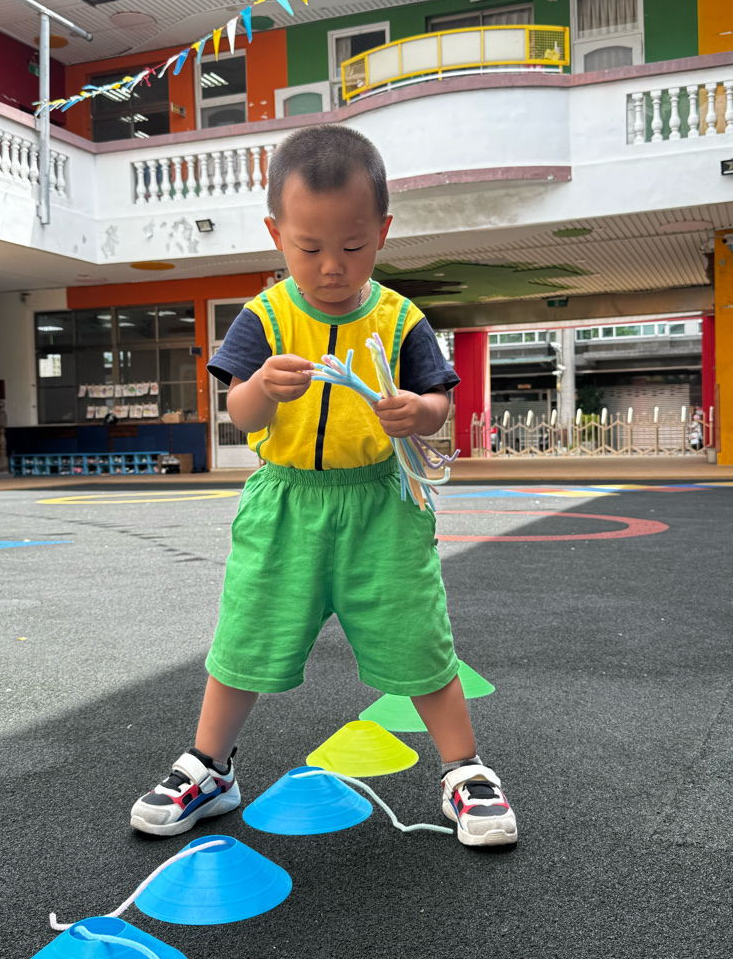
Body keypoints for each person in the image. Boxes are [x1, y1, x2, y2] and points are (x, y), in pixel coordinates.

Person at [130, 125, 517, 848]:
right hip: (285, 504)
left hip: (382, 506)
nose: (331, 267)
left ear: (383, 232)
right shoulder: (266, 316)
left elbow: (439, 402)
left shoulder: (401, 318)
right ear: (276, 234)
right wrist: (262, 388)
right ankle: (210, 766)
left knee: (417, 635)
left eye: (353, 246)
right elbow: (240, 412)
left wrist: (418, 411)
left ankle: (465, 769)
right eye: (309, 249)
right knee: (246, 635)